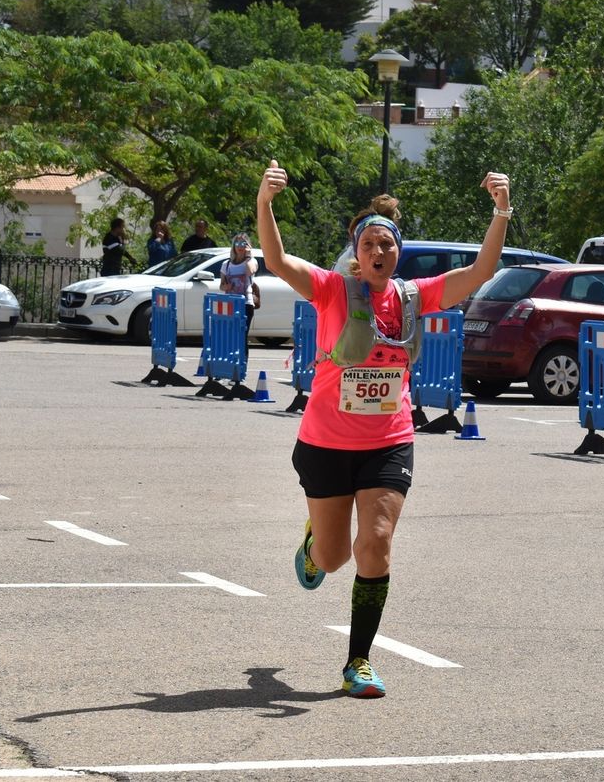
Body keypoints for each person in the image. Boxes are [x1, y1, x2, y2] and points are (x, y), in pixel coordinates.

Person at [256, 159, 513, 699]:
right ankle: (312, 545)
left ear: (399, 253)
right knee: (333, 558)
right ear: (357, 252)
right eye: (369, 245)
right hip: (325, 442)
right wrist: (266, 203)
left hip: (388, 442)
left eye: (388, 246)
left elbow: (481, 271)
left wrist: (501, 210)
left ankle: (358, 661)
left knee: (374, 544)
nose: (378, 254)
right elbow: (276, 259)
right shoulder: (330, 289)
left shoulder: (415, 296)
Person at [220, 233, 261, 339]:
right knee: (229, 335)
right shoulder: (226, 264)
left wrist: (248, 257)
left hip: (246, 303)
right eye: (237, 243)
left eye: (243, 243)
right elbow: (221, 286)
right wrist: (226, 287)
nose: (240, 246)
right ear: (234, 246)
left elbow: (249, 272)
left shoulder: (252, 262)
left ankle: (243, 356)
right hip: (230, 303)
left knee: (242, 336)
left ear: (248, 246)